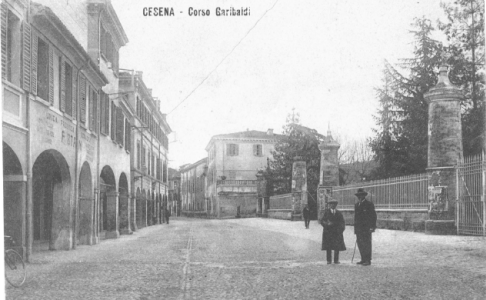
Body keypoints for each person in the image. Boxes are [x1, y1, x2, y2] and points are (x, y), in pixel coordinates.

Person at [354, 188, 377, 266]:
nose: (359, 197)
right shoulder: (356, 205)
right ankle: (363, 258)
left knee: (366, 243)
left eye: (361, 195)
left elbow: (373, 216)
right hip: (359, 228)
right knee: (360, 243)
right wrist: (355, 229)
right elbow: (356, 218)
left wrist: (372, 227)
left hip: (366, 228)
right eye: (358, 196)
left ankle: (368, 260)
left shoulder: (369, 204)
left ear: (364, 196)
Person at [321, 198, 346, 264]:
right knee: (328, 246)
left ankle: (336, 260)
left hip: (337, 232)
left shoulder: (339, 213)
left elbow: (342, 222)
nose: (332, 205)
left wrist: (341, 229)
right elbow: (322, 221)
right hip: (328, 232)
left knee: (337, 246)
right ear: (329, 205)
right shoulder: (326, 212)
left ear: (336, 205)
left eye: (334, 204)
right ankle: (329, 260)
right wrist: (326, 224)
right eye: (331, 204)